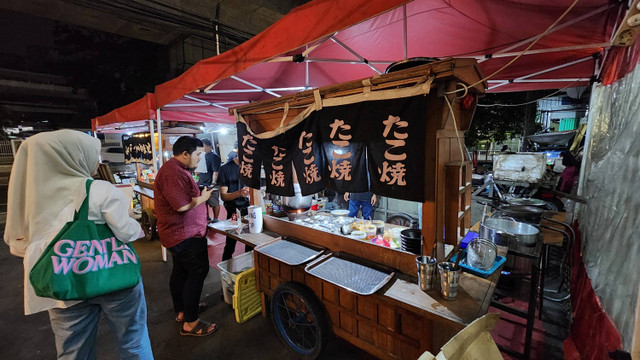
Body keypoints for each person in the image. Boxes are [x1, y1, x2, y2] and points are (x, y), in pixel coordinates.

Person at [4, 130, 153, 359]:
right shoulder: (99, 189)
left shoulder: (28, 197)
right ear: (74, 156)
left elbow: (18, 246)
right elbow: (126, 232)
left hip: (64, 283)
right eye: (93, 154)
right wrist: (138, 227)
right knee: (133, 343)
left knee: (73, 351)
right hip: (114, 278)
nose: (98, 161)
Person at [154, 136, 217, 337]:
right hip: (184, 235)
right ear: (185, 154)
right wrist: (203, 198)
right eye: (198, 154)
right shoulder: (173, 172)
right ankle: (190, 323)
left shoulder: (177, 170)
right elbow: (181, 206)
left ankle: (183, 310)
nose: (200, 158)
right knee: (197, 272)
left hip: (179, 234)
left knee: (181, 272)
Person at [218, 150, 251, 261]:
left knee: (250, 241)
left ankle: (248, 267)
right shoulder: (225, 169)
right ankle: (226, 265)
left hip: (249, 210)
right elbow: (224, 196)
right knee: (231, 240)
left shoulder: (251, 167)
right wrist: (239, 193)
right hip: (233, 210)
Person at [197, 139, 222, 222]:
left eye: (203, 146)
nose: (201, 148)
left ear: (209, 147)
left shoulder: (214, 157)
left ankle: (216, 218)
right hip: (202, 182)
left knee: (214, 201)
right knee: (204, 202)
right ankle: (207, 216)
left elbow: (216, 171)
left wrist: (213, 183)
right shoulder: (202, 156)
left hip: (211, 184)